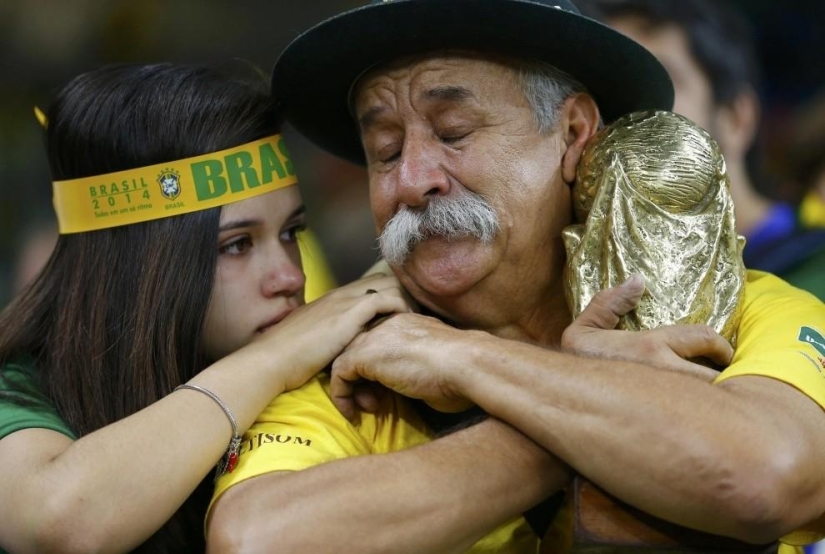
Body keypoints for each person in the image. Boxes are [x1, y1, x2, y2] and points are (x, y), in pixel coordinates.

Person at [204, 0, 825, 553]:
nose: (413, 179)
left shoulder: (750, 308)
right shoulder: (356, 368)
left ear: (576, 135)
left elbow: (769, 477)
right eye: (386, 151)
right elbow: (256, 539)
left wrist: (465, 359)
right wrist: (608, 409)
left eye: (454, 132)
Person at [0, 62, 411, 553]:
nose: (290, 276)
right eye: (237, 245)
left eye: (291, 233)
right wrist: (275, 358)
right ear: (139, 267)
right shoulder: (18, 389)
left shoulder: (321, 374)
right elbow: (58, 523)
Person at [576, 0, 825, 301]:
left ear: (736, 119)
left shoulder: (814, 268)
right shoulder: (589, 277)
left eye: (661, 80)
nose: (629, 113)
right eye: (609, 87)